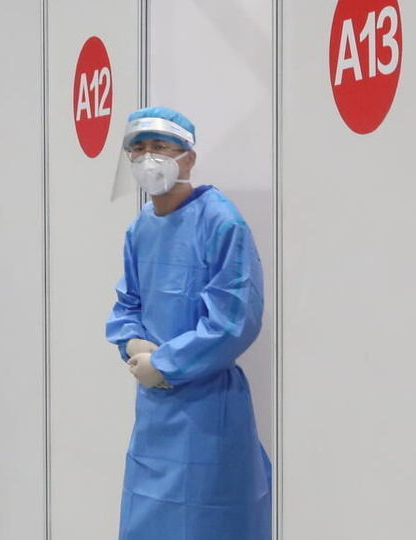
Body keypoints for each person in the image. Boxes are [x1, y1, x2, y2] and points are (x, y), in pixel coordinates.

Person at [106, 107, 272, 539]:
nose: (148, 158)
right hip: (154, 413)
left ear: (188, 157)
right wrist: (132, 343)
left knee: (208, 521)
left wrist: (167, 363)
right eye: (138, 149)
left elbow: (234, 320)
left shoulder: (221, 222)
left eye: (160, 147)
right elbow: (128, 303)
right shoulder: (141, 229)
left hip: (207, 409)